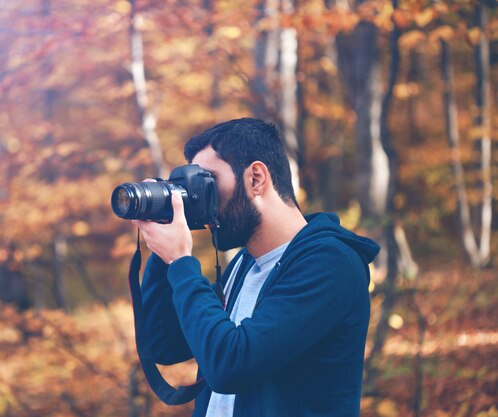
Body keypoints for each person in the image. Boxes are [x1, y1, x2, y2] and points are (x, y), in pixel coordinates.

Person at [133, 118, 380, 417]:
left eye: (208, 182)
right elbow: (166, 345)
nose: (202, 201)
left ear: (256, 179)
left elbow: (230, 366)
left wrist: (181, 261)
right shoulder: (245, 264)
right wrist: (163, 255)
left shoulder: (330, 264)